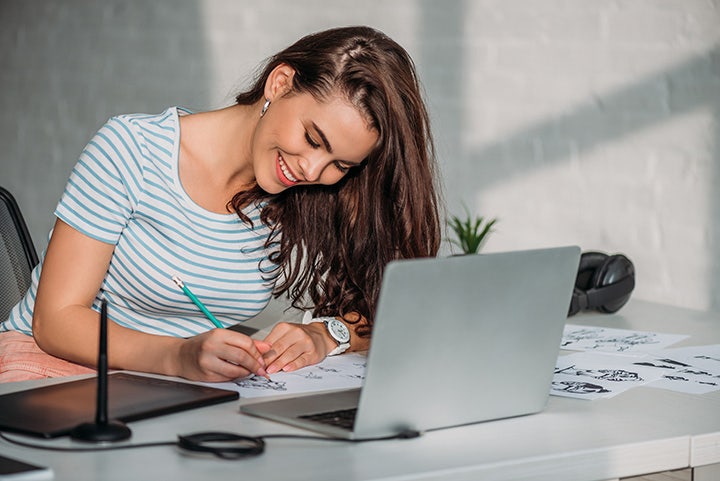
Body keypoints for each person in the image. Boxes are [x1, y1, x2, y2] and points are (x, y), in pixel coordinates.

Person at [0, 25, 441, 383]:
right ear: (280, 83)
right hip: (45, 376)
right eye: (312, 139)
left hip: (165, 392)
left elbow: (389, 302)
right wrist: (179, 356)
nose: (312, 170)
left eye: (340, 163)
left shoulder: (305, 195)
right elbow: (55, 321)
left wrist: (326, 334)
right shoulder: (132, 150)